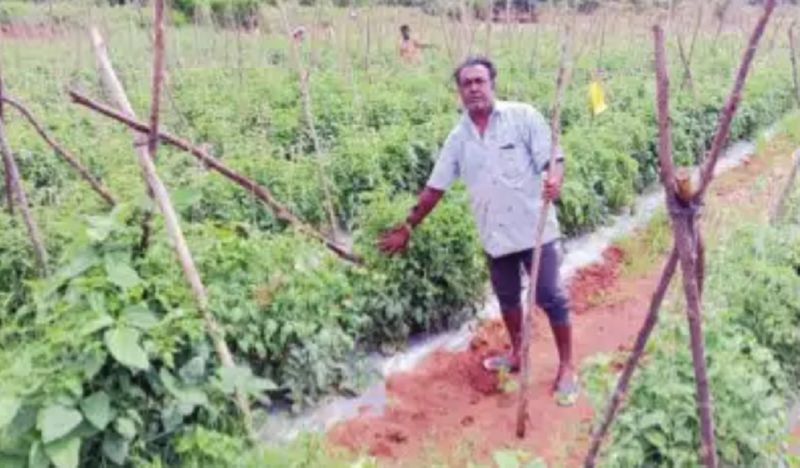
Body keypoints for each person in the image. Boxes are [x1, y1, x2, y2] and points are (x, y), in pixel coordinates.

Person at [378, 56, 578, 406]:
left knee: (550, 296)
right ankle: (518, 353)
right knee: (508, 301)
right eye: (466, 84)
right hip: (495, 236)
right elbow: (435, 188)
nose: (473, 88)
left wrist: (555, 181)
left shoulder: (523, 116)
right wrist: (408, 225)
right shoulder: (459, 139)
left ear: (492, 84)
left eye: (479, 81)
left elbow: (553, 158)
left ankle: (567, 366)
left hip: (535, 230)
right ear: (459, 92)